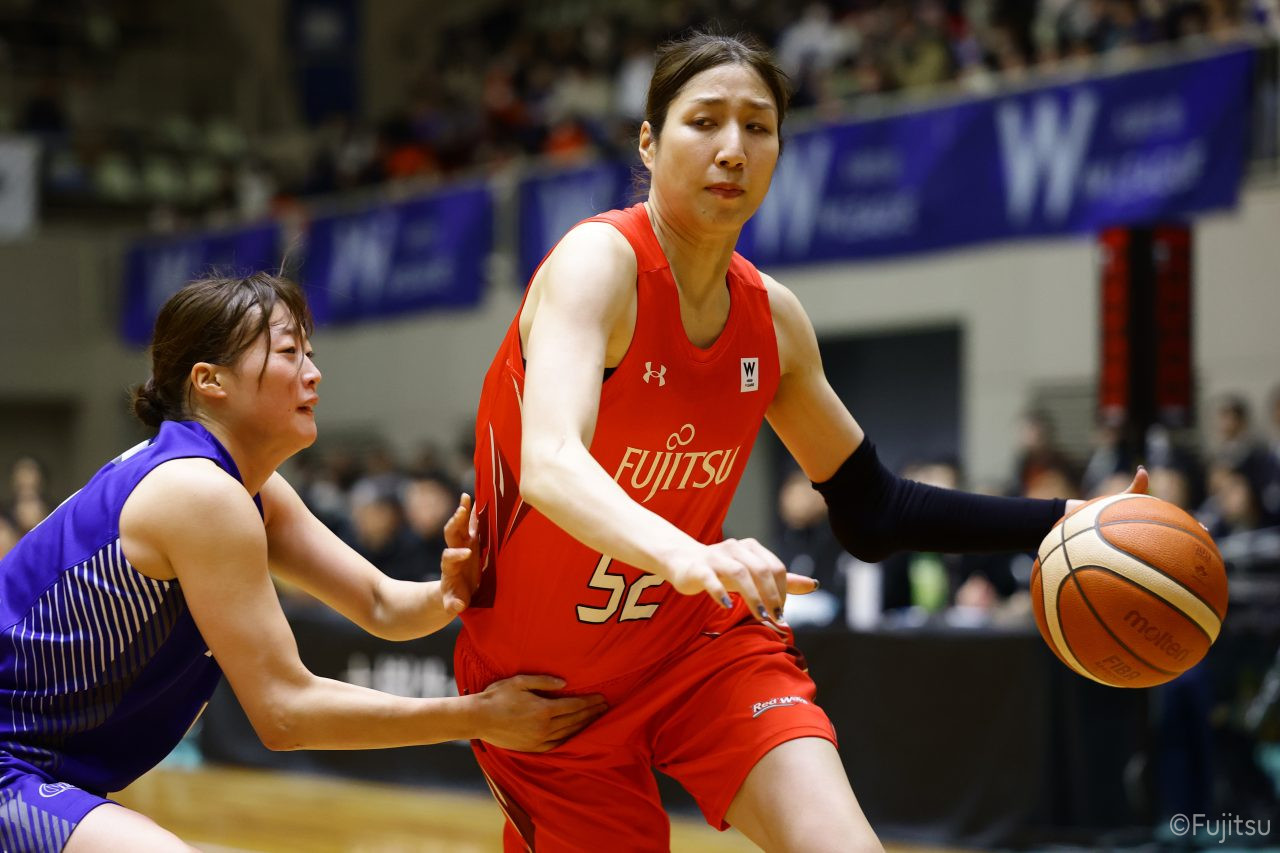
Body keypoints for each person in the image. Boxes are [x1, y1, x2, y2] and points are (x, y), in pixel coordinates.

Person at [459, 30, 1145, 852]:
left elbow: (874, 509)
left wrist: (1065, 518)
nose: (732, 148)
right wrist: (689, 553)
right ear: (647, 141)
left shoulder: (773, 320)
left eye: (757, 127)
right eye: (704, 121)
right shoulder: (597, 264)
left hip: (698, 652)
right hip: (542, 692)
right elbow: (550, 462)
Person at [0, 274, 606, 853]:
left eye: (309, 353)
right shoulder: (198, 493)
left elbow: (381, 604)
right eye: (289, 353)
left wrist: (448, 590)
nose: (314, 374)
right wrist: (478, 716)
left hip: (42, 767)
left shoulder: (243, 486)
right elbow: (284, 713)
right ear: (210, 381)